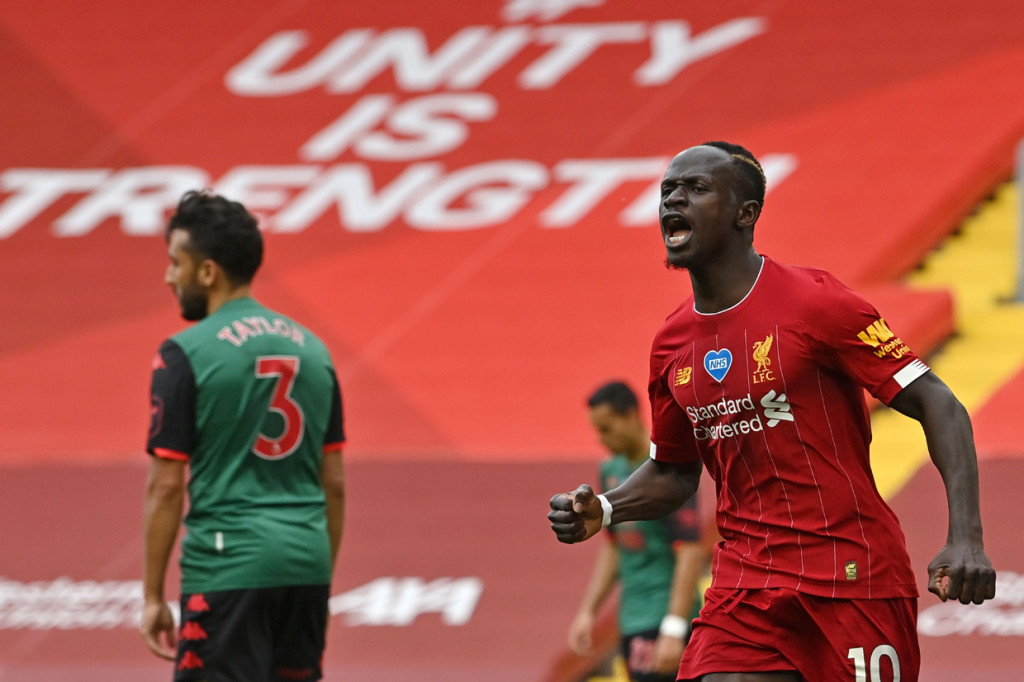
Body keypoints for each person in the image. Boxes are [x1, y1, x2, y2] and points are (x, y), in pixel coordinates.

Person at [548, 142, 996, 681]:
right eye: (668, 190)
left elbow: (938, 403)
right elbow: (672, 470)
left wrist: (966, 535)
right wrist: (608, 507)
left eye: (696, 189)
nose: (673, 200)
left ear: (746, 213)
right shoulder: (671, 344)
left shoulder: (816, 303)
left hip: (852, 579)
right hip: (744, 587)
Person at [140, 190, 346, 682]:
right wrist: (317, 573)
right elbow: (334, 483)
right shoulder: (314, 350)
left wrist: (151, 596)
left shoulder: (183, 353)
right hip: (306, 566)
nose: (169, 276)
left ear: (207, 272)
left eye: (175, 263)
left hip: (227, 564)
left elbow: (166, 486)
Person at [568, 381, 712, 682]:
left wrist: (673, 627)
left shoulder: (666, 470)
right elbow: (614, 545)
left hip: (667, 620)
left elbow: (689, 550)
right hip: (632, 620)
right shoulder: (611, 471)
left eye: (607, 428)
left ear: (632, 415)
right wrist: (588, 612)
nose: (602, 439)